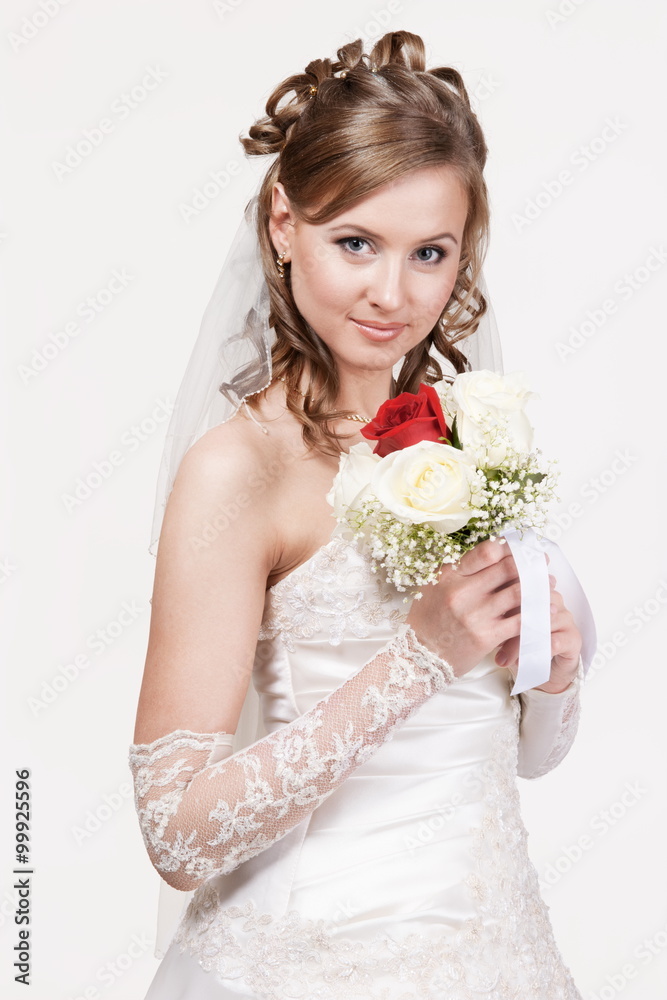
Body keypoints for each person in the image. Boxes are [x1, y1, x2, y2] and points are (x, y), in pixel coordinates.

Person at [129, 30, 585, 999]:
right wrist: (415, 660)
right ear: (282, 224)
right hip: (309, 966)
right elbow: (174, 833)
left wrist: (549, 673)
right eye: (355, 243)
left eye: (429, 253)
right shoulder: (238, 472)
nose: (392, 293)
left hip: (501, 961)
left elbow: (521, 758)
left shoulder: (462, 439)